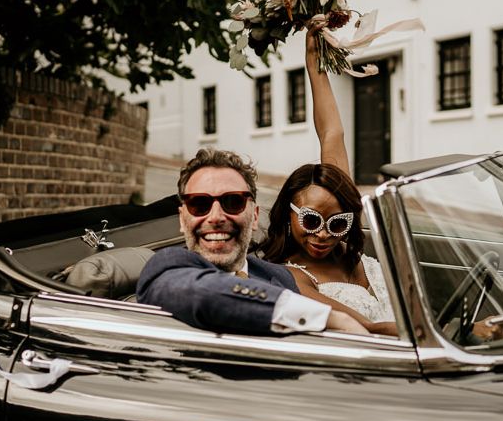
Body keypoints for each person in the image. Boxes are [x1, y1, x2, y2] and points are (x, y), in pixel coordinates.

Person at [136, 148, 368, 336]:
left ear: (255, 216)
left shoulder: (279, 275)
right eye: (199, 204)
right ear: (182, 218)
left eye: (233, 202)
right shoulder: (166, 267)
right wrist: (331, 317)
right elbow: (201, 293)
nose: (216, 217)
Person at [258, 28, 399, 336]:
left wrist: (316, 64)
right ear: (289, 213)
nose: (323, 234)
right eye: (310, 220)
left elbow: (332, 133)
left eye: (337, 224)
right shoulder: (289, 275)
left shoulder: (344, 238)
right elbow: (368, 328)